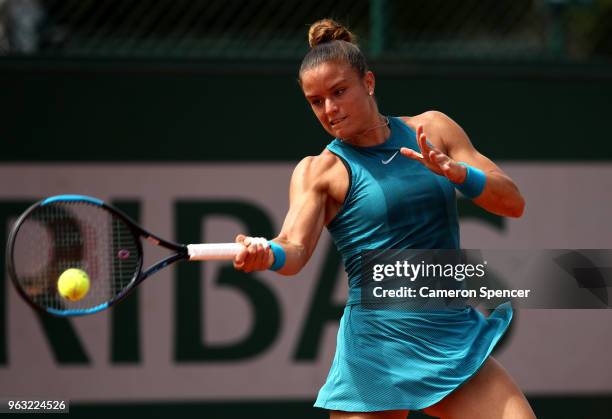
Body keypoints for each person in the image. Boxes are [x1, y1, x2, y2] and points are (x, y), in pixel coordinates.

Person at [233, 18, 535, 419]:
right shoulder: (320, 171)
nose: (330, 110)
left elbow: (513, 202)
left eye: (339, 92)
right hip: (377, 353)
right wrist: (266, 253)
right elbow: (294, 248)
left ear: (369, 83)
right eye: (316, 101)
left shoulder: (433, 129)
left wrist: (462, 175)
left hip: (451, 337)